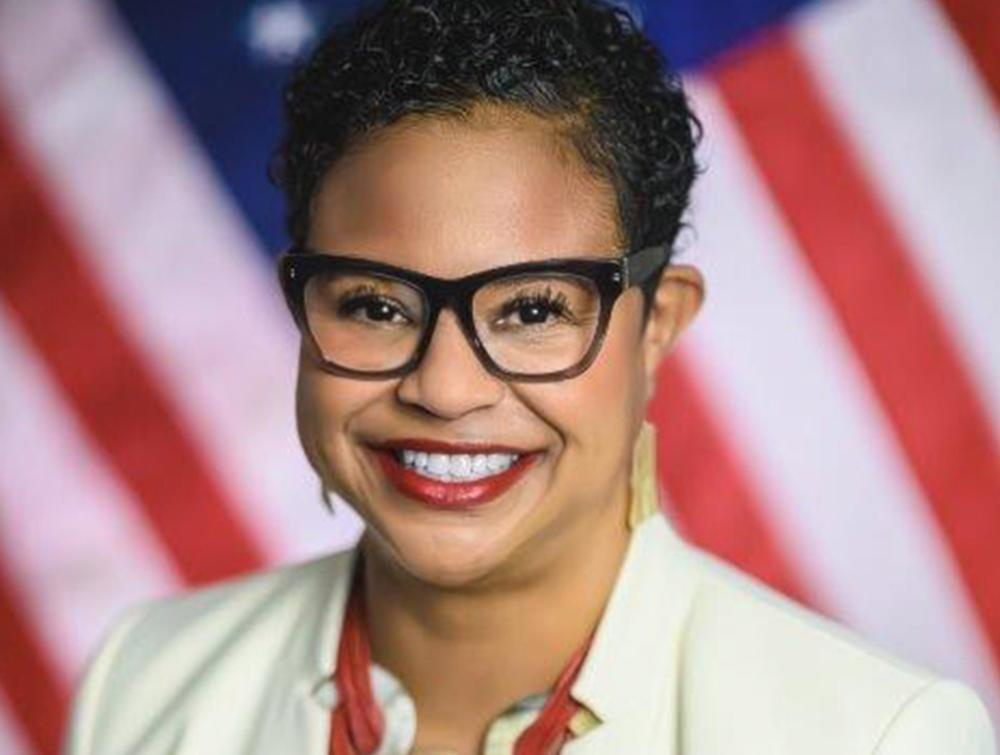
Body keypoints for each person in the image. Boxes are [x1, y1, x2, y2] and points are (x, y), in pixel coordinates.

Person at [64, 1, 996, 753]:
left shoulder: (873, 734)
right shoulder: (147, 681)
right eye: (377, 306)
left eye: (534, 310)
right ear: (302, 307)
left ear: (657, 325)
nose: (446, 386)